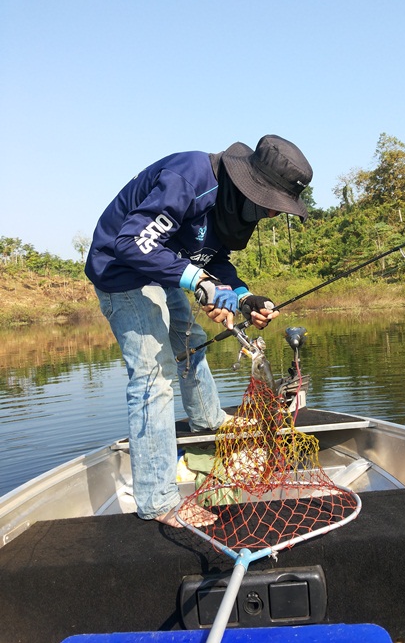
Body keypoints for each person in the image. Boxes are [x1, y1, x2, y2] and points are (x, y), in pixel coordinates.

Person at [85, 134, 313, 527]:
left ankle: (207, 417)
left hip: (165, 268)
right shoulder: (190, 177)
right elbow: (133, 241)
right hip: (120, 271)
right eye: (271, 206)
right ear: (250, 188)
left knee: (190, 339)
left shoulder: (228, 205)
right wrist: (201, 283)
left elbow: (214, 258)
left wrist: (244, 297)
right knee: (153, 377)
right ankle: (159, 502)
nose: (272, 215)